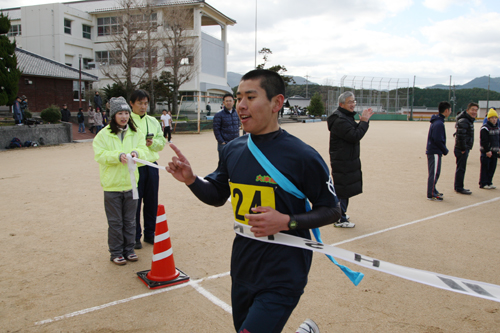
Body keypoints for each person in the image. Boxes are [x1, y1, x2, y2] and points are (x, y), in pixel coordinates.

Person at [166, 69, 340, 333]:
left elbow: (332, 210)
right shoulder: (233, 149)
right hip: (244, 267)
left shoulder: (302, 156)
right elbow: (216, 195)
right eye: (238, 98)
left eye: (250, 96)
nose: (241, 105)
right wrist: (191, 180)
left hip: (284, 272)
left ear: (277, 103)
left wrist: (287, 221)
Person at [92, 96, 148, 265]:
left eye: (126, 113)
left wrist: (136, 154)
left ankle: (129, 249)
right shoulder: (103, 135)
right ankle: (116, 252)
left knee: (130, 220)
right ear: (113, 115)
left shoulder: (135, 132)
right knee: (115, 222)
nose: (124, 117)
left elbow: (143, 149)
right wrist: (117, 156)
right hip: (112, 186)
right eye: (120, 113)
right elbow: (99, 155)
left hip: (131, 184)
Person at [327, 91, 374, 228]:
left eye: (354, 101)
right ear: (341, 104)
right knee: (342, 189)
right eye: (350, 102)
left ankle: (341, 213)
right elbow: (354, 135)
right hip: (342, 160)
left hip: (346, 158)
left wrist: (363, 121)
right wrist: (364, 121)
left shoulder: (345, 117)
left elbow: (354, 133)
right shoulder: (340, 119)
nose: (353, 104)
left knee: (345, 188)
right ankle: (339, 217)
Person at [129, 89, 167, 249]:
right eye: (140, 103)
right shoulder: (126, 120)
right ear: (132, 103)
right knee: (134, 203)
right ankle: (135, 236)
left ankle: (150, 234)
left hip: (151, 166)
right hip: (134, 167)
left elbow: (161, 141)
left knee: (152, 202)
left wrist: (154, 144)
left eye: (145, 103)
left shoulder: (153, 121)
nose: (143, 106)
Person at [426, 101, 451, 201]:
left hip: (434, 151)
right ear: (446, 111)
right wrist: (445, 150)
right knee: (434, 173)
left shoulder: (438, 121)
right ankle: (431, 193)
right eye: (450, 110)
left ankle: (433, 190)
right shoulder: (439, 123)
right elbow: (437, 139)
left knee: (436, 172)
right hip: (435, 151)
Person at [453, 102, 478, 194]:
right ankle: (459, 187)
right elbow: (461, 136)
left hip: (464, 147)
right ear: (467, 110)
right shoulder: (464, 120)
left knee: (461, 168)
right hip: (461, 148)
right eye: (472, 110)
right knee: (461, 168)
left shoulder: (468, 120)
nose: (474, 112)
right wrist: (463, 148)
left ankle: (459, 186)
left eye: (476, 110)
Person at [213, 93, 240, 159]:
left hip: (235, 143)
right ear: (223, 102)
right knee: (223, 165)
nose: (229, 103)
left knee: (235, 163)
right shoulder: (219, 115)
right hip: (224, 144)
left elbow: (238, 125)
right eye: (227, 101)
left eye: (230, 101)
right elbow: (216, 129)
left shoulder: (237, 113)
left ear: (233, 102)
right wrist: (222, 141)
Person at [479, 108, 500, 189]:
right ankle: (483, 183)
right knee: (485, 167)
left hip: (495, 151)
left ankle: (489, 182)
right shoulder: (485, 128)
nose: (494, 120)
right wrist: (487, 150)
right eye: (492, 118)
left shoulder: (497, 128)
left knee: (492, 167)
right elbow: (484, 141)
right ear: (488, 119)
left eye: (496, 118)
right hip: (487, 152)